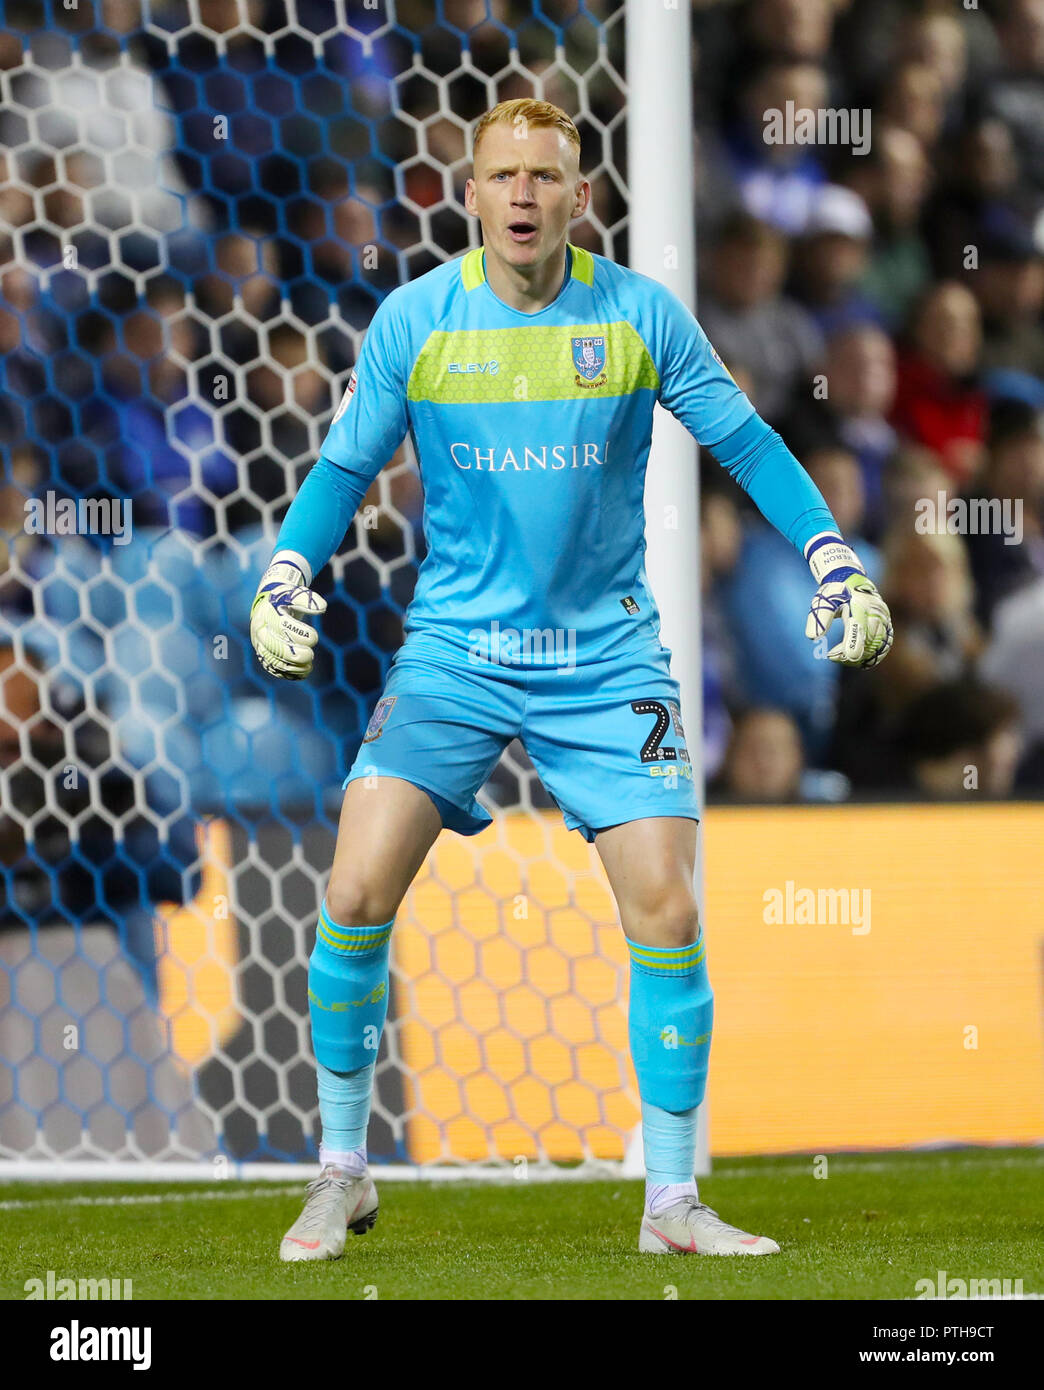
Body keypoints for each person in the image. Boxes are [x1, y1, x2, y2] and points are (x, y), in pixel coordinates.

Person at [249, 100, 893, 1262]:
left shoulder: (639, 316)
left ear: (580, 196)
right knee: (351, 891)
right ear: (472, 193)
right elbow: (345, 464)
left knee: (668, 906)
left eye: (546, 176)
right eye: (503, 176)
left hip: (604, 661)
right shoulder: (417, 320)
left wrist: (834, 556)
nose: (525, 196)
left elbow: (748, 442)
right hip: (454, 656)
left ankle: (672, 1202)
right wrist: (287, 570)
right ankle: (341, 1169)